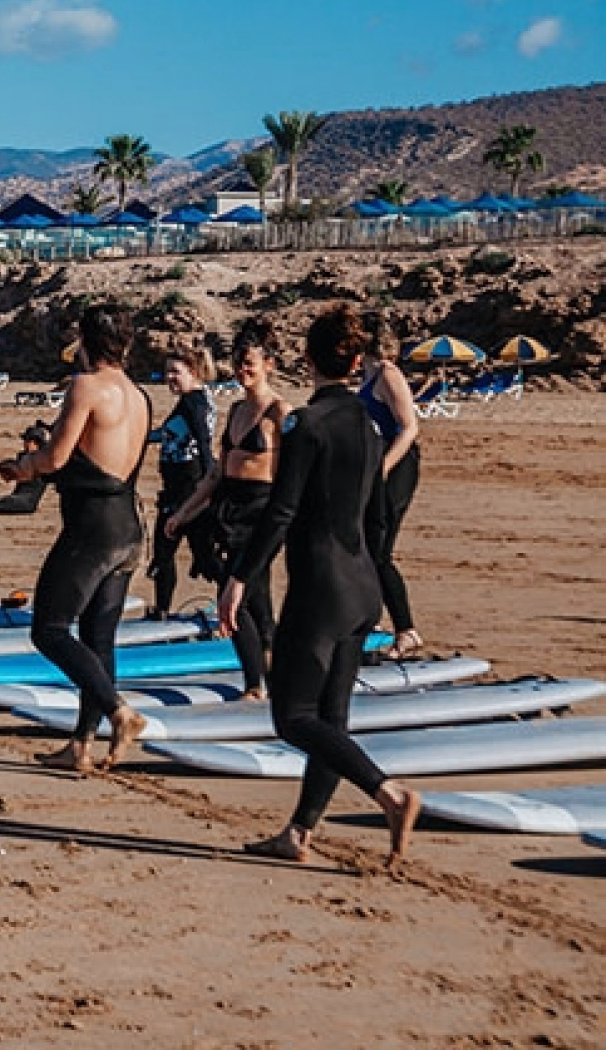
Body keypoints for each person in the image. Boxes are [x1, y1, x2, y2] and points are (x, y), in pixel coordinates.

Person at [219, 304, 423, 868]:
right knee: (331, 721)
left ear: (308, 358)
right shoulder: (370, 425)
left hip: (320, 587)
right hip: (363, 587)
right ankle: (300, 832)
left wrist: (239, 577)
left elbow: (281, 513)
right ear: (358, 361)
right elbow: (378, 515)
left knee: (293, 717)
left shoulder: (306, 424)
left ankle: (388, 792)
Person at [0, 304, 151, 771]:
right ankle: (81, 746)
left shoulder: (86, 386)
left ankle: (119, 711)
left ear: (84, 340)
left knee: (49, 629)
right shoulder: (141, 394)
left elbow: (56, 458)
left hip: (94, 528)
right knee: (98, 639)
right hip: (129, 525)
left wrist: (21, 468)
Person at [166, 321, 289, 698]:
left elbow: (295, 475)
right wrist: (185, 512)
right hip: (226, 508)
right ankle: (270, 669)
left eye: (249, 362)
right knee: (253, 595)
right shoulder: (236, 409)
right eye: (237, 361)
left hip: (260, 510)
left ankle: (256, 683)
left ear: (268, 363)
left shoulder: (280, 412)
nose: (242, 369)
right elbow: (217, 472)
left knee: (236, 593)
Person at [359, 314, 424, 656]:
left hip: (396, 467)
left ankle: (406, 630)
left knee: (379, 551)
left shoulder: (388, 374)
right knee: (367, 548)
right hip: (375, 469)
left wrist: (382, 468)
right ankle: (371, 621)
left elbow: (410, 427)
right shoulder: (367, 374)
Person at [146, 345, 221, 618]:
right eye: (167, 372)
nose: (169, 377)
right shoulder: (197, 399)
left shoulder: (194, 403)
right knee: (200, 554)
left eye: (175, 372)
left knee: (166, 554)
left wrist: (210, 485)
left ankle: (162, 612)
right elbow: (170, 435)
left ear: (193, 372)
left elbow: (203, 441)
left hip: (186, 488)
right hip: (184, 486)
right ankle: (236, 602)